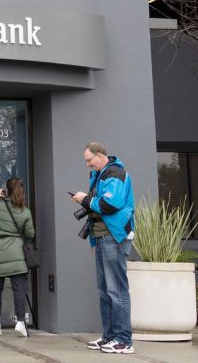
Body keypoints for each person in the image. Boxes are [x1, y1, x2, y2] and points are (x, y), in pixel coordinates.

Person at [71, 142, 135, 354]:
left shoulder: (115, 173)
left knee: (117, 290)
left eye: (89, 160)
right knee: (104, 291)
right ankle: (109, 337)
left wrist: (85, 199)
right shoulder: (101, 175)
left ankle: (124, 341)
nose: (87, 164)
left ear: (100, 155)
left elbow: (110, 205)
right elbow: (96, 210)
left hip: (113, 237)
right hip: (102, 238)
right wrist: (92, 242)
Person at [0, 177, 35, 337]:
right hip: (17, 253)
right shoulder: (25, 211)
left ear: (6, 190)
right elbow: (30, 234)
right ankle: (21, 322)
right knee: (19, 289)